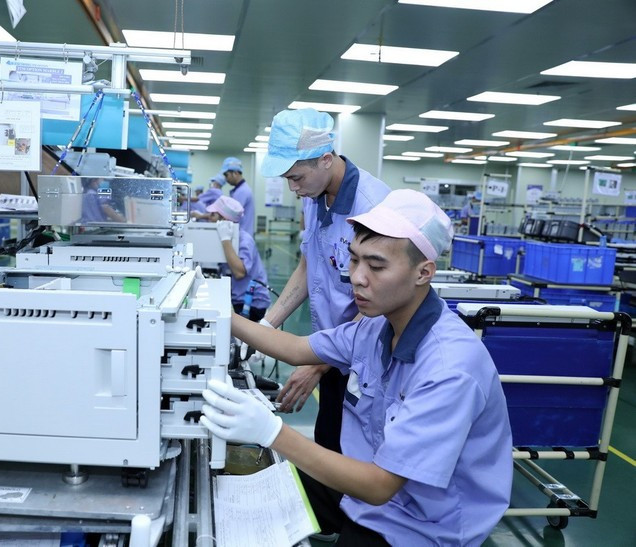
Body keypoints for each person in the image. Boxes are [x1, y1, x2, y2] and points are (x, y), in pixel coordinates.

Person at [201, 189, 513, 545]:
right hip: (367, 489)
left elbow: (380, 486)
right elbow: (297, 349)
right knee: (259, 492)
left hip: (420, 524)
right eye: (353, 260)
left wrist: (271, 431)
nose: (357, 278)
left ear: (423, 272)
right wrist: (223, 315)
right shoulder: (377, 325)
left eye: (376, 266)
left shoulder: (449, 369)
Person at [256, 108, 391, 454]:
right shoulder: (314, 197)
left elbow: (382, 303)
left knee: (355, 455)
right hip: (331, 350)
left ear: (326, 160)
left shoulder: (373, 208)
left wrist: (316, 363)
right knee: (328, 440)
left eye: (297, 177)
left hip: (364, 361)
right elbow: (308, 266)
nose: (293, 188)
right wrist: (265, 328)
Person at [207, 195, 271, 321]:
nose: (209, 218)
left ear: (224, 220)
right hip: (240, 298)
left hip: (252, 303)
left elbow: (239, 273)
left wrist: (225, 240)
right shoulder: (230, 237)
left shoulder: (244, 240)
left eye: (213, 215)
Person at [221, 157, 255, 235]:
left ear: (235, 173)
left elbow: (231, 216)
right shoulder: (240, 190)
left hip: (242, 235)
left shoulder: (242, 192)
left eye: (226, 175)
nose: (226, 179)